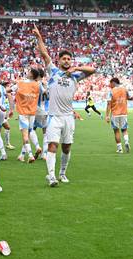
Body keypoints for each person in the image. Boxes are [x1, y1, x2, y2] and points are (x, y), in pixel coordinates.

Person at [33, 24, 96, 187]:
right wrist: (39, 38)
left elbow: (92, 70)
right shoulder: (53, 71)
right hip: (54, 117)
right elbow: (44, 54)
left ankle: (62, 173)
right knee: (53, 145)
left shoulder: (75, 75)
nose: (66, 61)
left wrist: (76, 67)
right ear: (59, 61)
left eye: (69, 59)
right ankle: (51, 176)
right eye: (64, 59)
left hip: (68, 117)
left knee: (67, 147)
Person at [8, 68, 42, 163]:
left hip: (23, 112)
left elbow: (9, 90)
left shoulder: (20, 83)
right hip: (32, 112)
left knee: (25, 135)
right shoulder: (37, 85)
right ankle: (24, 154)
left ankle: (30, 155)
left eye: (29, 72)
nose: (28, 73)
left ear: (31, 74)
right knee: (30, 131)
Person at [105, 77, 133, 153]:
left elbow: (108, 104)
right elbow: (130, 98)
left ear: (113, 83)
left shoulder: (111, 91)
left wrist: (107, 115)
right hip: (124, 113)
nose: (109, 85)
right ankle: (126, 141)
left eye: (110, 84)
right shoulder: (124, 89)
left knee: (116, 131)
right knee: (124, 130)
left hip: (115, 114)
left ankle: (120, 148)